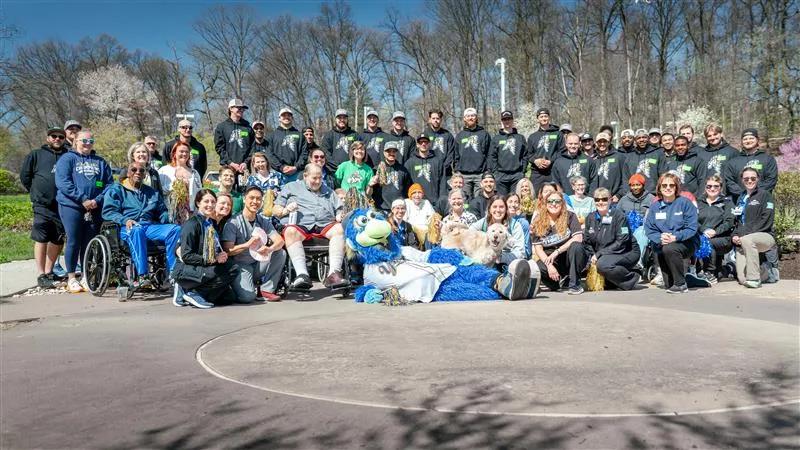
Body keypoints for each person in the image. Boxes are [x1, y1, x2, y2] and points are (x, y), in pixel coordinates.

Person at [102, 161, 180, 286]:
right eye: (133, 170)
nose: (138, 172)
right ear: (128, 173)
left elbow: (162, 211)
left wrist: (165, 217)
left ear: (145, 175)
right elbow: (109, 212)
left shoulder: (152, 192)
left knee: (175, 229)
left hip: (149, 226)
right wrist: (124, 220)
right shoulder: (117, 189)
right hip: (125, 227)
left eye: (141, 170)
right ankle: (143, 275)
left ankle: (173, 272)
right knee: (136, 230)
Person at [273, 164, 349, 291]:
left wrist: (339, 214)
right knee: (290, 231)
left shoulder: (328, 190)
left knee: (340, 229)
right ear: (305, 176)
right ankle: (302, 274)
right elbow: (275, 210)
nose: (318, 181)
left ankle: (334, 274)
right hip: (300, 225)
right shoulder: (291, 187)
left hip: (324, 224)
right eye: (314, 178)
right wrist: (286, 210)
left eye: (320, 178)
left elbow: (340, 208)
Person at [55, 129, 113, 293]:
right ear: (75, 142)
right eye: (83, 141)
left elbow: (108, 184)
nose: (87, 144)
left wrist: (96, 200)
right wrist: (82, 199)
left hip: (94, 208)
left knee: (89, 242)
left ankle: (86, 276)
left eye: (90, 141)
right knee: (73, 240)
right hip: (71, 206)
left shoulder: (100, 161)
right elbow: (63, 182)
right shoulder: (67, 159)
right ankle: (71, 277)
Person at [172, 190, 237, 308]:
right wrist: (213, 259)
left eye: (213, 202)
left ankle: (188, 291)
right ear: (198, 203)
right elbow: (186, 255)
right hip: (188, 269)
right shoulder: (192, 224)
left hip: (203, 267)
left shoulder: (210, 223)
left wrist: (220, 255)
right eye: (206, 201)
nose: (210, 205)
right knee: (232, 269)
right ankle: (194, 293)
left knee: (228, 297)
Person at [20, 126, 67, 288]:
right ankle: (40, 274)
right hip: (42, 204)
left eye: (60, 137)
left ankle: (49, 271)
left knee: (58, 238)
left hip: (62, 204)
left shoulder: (68, 156)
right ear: (48, 138)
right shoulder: (36, 155)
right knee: (42, 236)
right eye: (53, 136)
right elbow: (25, 176)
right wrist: (36, 192)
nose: (57, 139)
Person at [222, 186, 287, 303]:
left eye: (258, 199)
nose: (255, 202)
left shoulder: (263, 221)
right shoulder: (233, 222)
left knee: (280, 253)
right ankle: (237, 286)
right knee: (247, 298)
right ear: (244, 199)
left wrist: (269, 248)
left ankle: (266, 290)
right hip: (241, 265)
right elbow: (228, 250)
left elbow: (280, 241)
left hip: (259, 263)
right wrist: (247, 244)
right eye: (251, 198)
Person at [644, 173, 700, 294]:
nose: (668, 188)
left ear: (676, 187)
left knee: (670, 248)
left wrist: (675, 237)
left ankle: (681, 284)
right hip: (663, 243)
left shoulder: (685, 203)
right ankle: (683, 280)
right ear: (659, 188)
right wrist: (659, 237)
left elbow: (692, 227)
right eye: (664, 185)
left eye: (671, 185)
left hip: (686, 242)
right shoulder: (655, 207)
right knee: (668, 284)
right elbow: (649, 228)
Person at [583, 187, 641, 290]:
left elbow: (622, 240)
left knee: (603, 265)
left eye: (604, 199)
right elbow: (587, 241)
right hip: (605, 253)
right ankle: (614, 280)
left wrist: (599, 254)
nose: (600, 202)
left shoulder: (619, 216)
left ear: (610, 200)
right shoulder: (590, 218)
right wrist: (592, 256)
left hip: (626, 251)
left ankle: (632, 278)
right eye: (597, 199)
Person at [531, 191, 587, 294]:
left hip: (569, 258)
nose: (554, 204)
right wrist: (549, 266)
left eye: (557, 201)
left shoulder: (570, 216)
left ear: (562, 203)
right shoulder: (537, 221)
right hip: (552, 261)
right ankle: (556, 283)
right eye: (550, 201)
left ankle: (574, 284)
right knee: (537, 266)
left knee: (576, 246)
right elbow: (538, 249)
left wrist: (557, 251)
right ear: (545, 204)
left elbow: (578, 238)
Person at [731, 168, 775, 288]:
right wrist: (734, 235)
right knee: (742, 278)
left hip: (765, 236)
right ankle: (767, 272)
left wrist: (744, 235)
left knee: (747, 240)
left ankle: (755, 279)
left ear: (758, 179)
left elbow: (766, 220)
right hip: (744, 239)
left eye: (753, 178)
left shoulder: (765, 195)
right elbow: (738, 221)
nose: (749, 181)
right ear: (742, 180)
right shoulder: (741, 198)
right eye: (746, 179)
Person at [470, 195, 529, 266]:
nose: (498, 210)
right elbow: (470, 233)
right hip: (485, 258)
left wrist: (500, 257)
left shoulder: (515, 225)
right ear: (490, 209)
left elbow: (520, 252)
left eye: (501, 207)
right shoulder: (484, 222)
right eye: (494, 207)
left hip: (507, 263)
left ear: (506, 209)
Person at [697, 175, 735, 284]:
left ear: (721, 188)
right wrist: (704, 230)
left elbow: (729, 221)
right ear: (705, 188)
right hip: (703, 235)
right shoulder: (698, 202)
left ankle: (709, 273)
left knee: (707, 243)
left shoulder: (727, 202)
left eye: (716, 186)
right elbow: (693, 220)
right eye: (709, 186)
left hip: (723, 238)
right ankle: (727, 269)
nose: (712, 189)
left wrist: (715, 231)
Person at [725, 128, 778, 201]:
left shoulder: (768, 159)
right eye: (745, 139)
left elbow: (771, 180)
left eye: (751, 138)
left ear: (757, 140)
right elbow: (729, 181)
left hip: (762, 201)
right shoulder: (733, 162)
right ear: (741, 142)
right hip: (739, 201)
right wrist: (743, 194)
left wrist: (755, 193)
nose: (748, 141)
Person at [159, 142, 203, 224]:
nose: (184, 154)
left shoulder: (194, 173)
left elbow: (199, 193)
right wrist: (176, 186)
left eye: (187, 152)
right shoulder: (164, 170)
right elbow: (159, 190)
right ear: (174, 153)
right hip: (171, 211)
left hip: (190, 212)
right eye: (181, 151)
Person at [618, 173, 656, 263]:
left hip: (644, 228)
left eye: (638, 185)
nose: (635, 188)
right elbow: (617, 216)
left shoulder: (651, 199)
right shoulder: (623, 200)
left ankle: (638, 262)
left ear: (643, 185)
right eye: (633, 185)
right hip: (626, 227)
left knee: (641, 232)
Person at [214, 98, 255, 181]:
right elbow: (219, 148)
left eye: (242, 109)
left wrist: (246, 163)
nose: (241, 110)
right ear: (231, 109)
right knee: (227, 192)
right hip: (228, 168)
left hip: (244, 169)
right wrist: (230, 163)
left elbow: (253, 147)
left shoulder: (248, 128)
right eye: (238, 108)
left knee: (245, 193)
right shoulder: (222, 127)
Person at [454, 107, 491, 197]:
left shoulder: (484, 134)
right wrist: (457, 170)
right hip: (464, 175)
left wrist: (488, 170)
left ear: (476, 118)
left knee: (480, 200)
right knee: (465, 200)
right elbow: (456, 154)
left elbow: (489, 154)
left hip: (480, 174)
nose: (470, 118)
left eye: (473, 116)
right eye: (468, 116)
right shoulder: (460, 136)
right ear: (464, 119)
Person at [526, 107, 564, 192]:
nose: (544, 118)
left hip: (552, 172)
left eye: (546, 116)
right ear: (537, 119)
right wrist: (535, 160)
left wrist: (551, 161)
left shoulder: (558, 134)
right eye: (541, 117)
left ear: (549, 118)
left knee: (554, 197)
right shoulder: (532, 137)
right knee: (537, 197)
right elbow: (528, 154)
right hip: (536, 173)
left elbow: (561, 151)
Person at [489, 110, 527, 195]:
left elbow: (525, 156)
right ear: (502, 121)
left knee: (515, 200)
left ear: (512, 120)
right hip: (501, 175)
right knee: (502, 201)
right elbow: (492, 157)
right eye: (505, 119)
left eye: (509, 119)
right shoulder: (496, 139)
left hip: (517, 175)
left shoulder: (520, 138)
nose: (507, 121)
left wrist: (522, 171)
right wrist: (495, 173)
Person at [405, 132, 448, 206]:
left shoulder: (437, 161)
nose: (423, 144)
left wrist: (441, 201)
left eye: (426, 142)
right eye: (421, 142)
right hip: (415, 203)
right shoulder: (410, 163)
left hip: (434, 203)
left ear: (429, 144)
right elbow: (405, 184)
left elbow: (443, 183)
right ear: (417, 145)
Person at [266, 108, 308, 182]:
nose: (286, 117)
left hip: (297, 173)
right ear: (279, 118)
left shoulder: (300, 135)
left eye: (289, 115)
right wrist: (281, 167)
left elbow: (304, 154)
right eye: (283, 115)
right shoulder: (271, 135)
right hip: (278, 173)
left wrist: (296, 167)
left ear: (292, 118)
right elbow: (269, 154)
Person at [622, 128, 667, 194]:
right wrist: (627, 193)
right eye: (639, 138)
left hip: (653, 194)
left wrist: (660, 192)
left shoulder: (658, 153)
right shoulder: (630, 156)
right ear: (635, 140)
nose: (641, 140)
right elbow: (626, 178)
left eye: (644, 137)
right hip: (634, 194)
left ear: (648, 138)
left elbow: (663, 175)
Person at [372, 142, 411, 212]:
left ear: (397, 153)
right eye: (388, 151)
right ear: (384, 153)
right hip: (381, 208)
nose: (391, 153)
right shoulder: (376, 169)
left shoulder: (403, 170)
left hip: (398, 209)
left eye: (394, 151)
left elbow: (407, 189)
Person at [425, 109, 456, 174]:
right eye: (433, 118)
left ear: (441, 119)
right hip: (430, 171)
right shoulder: (425, 134)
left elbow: (451, 153)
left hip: (446, 171)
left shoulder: (448, 135)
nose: (435, 120)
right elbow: (422, 153)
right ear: (429, 119)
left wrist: (443, 167)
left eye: (438, 118)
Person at [505, 193, 531, 258]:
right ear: (505, 204)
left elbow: (526, 245)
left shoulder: (523, 222)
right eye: (510, 202)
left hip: (519, 256)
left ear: (519, 205)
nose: (513, 205)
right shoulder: (500, 219)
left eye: (516, 202)